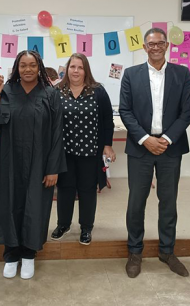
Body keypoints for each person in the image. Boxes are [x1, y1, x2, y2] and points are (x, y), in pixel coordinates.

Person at [0, 50, 66, 280]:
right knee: (9, 203)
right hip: (9, 161)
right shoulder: (6, 91)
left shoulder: (51, 94)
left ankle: (29, 254)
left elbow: (58, 132)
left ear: (39, 67)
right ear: (16, 68)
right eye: (23, 65)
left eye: (32, 65)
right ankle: (10, 254)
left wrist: (53, 168)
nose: (27, 69)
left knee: (35, 206)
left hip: (40, 162)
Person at [119, 27, 190, 279]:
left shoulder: (182, 73)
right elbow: (125, 111)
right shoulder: (131, 74)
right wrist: (145, 139)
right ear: (144, 47)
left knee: (168, 201)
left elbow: (186, 113)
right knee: (136, 202)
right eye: (151, 44)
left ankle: (167, 251)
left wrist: (167, 140)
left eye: (161, 43)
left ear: (167, 46)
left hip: (170, 149)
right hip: (140, 148)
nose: (156, 47)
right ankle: (135, 251)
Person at [51, 53, 115, 245]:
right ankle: (63, 224)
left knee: (87, 190)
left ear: (86, 70)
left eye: (80, 67)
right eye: (72, 67)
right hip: (64, 152)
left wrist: (107, 145)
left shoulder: (98, 91)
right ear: (67, 69)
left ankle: (86, 228)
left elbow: (107, 119)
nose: (76, 71)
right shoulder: (57, 91)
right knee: (65, 189)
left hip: (90, 152)